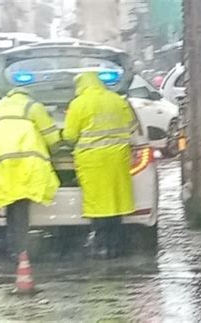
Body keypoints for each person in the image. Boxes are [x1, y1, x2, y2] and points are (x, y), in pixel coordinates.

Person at [0, 87, 61, 260]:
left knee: (9, 204)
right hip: (24, 161)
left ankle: (12, 246)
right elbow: (51, 137)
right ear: (28, 94)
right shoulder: (33, 106)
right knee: (21, 206)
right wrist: (56, 147)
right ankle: (22, 251)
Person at [62, 72, 137, 259]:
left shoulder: (78, 104)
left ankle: (101, 244)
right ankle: (116, 245)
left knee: (98, 204)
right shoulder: (117, 100)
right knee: (116, 200)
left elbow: (70, 136)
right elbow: (132, 125)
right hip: (118, 158)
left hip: (92, 161)